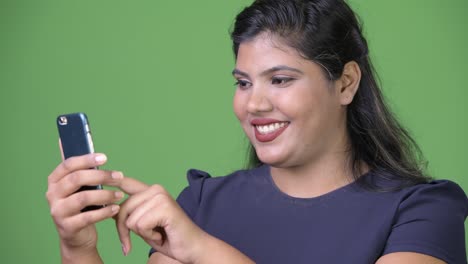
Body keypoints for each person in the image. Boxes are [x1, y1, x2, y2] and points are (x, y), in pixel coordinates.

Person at [46, 0, 468, 263]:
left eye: (280, 80)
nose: (254, 104)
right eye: (243, 83)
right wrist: (79, 248)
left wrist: (203, 251)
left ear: (346, 83)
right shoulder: (201, 203)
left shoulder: (421, 211)